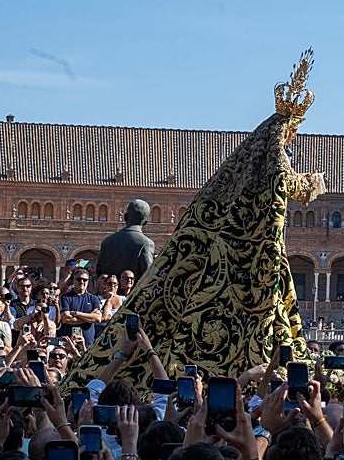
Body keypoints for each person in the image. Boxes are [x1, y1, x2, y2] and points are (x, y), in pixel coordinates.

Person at [61, 52, 327, 392]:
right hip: (256, 254)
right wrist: (313, 183)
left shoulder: (239, 167)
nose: (291, 139)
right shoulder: (275, 159)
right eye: (291, 133)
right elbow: (284, 182)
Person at [97, 199, 157, 282]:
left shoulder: (107, 241)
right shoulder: (146, 244)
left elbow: (99, 272)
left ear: (125, 217)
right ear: (146, 221)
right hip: (132, 293)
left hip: (108, 293)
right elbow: (148, 277)